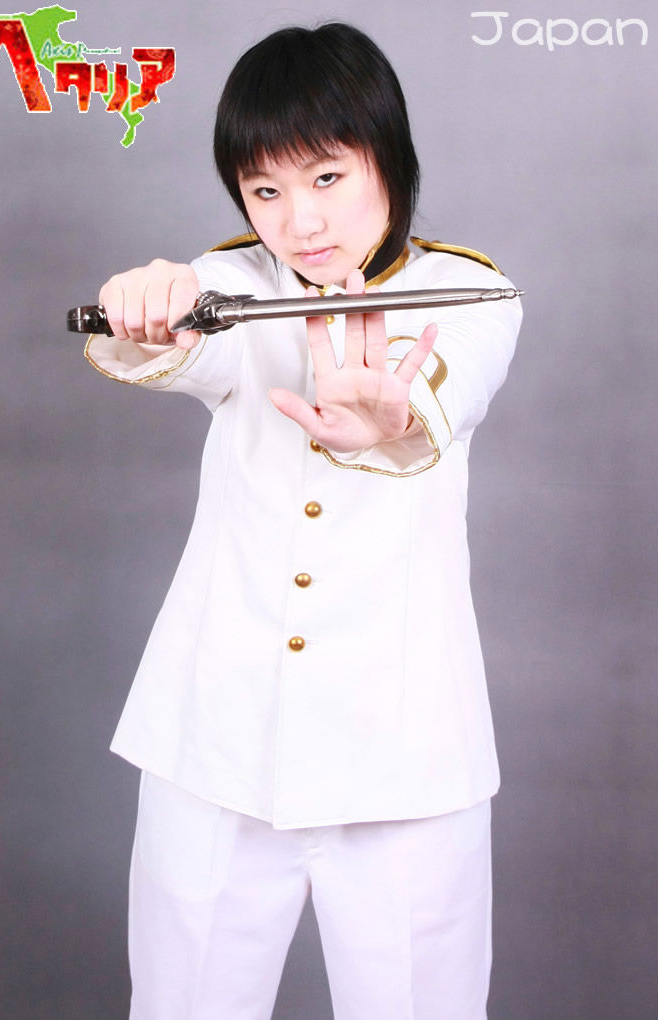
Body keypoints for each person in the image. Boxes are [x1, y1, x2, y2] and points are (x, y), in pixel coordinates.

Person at [86, 22, 523, 1020]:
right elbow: (180, 338)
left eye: (326, 177)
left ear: (387, 157)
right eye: (265, 191)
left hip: (404, 759)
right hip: (213, 745)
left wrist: (386, 422)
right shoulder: (235, 285)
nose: (301, 221)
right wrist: (142, 308)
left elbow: (436, 402)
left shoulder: (473, 293)